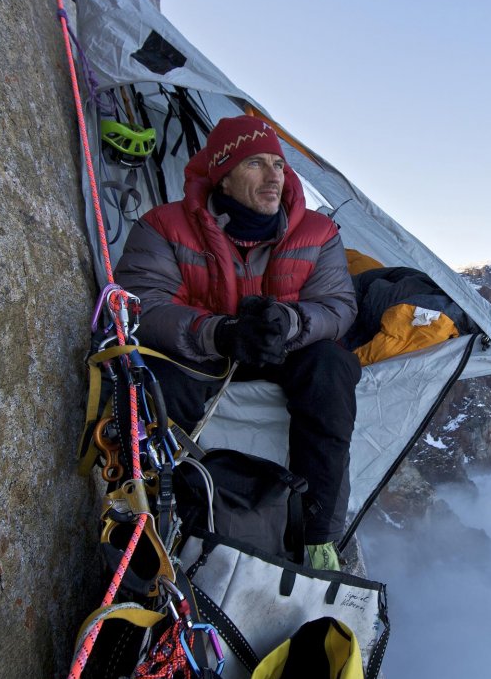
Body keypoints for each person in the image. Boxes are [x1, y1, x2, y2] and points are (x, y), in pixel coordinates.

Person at [114, 115, 360, 570]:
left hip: (285, 348)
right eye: (256, 165)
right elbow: (142, 305)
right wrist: (219, 332)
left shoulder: (318, 234)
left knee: (330, 367)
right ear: (223, 176)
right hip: (207, 349)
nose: (273, 177)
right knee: (155, 380)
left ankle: (318, 537)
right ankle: (160, 520)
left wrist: (287, 323)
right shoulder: (164, 226)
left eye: (279, 166)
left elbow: (339, 306)